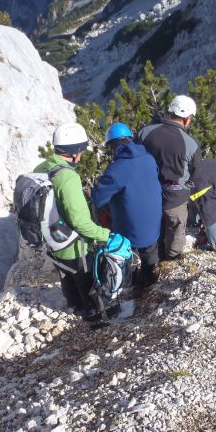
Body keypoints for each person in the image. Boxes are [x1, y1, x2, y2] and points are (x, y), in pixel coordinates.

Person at [33, 122, 112, 318]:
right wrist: (105, 234)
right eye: (82, 150)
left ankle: (75, 307)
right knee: (84, 279)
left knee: (65, 274)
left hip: (52, 237)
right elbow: (80, 221)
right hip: (72, 243)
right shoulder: (67, 177)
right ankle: (95, 317)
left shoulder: (42, 167)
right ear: (75, 151)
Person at [92, 123, 162, 286]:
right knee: (150, 253)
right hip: (154, 225)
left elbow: (98, 198)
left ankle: (129, 284)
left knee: (130, 259)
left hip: (131, 232)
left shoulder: (117, 169)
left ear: (112, 146)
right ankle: (150, 280)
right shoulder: (149, 158)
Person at [136, 95, 201, 260]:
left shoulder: (145, 132)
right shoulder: (191, 143)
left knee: (152, 236)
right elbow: (195, 173)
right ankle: (170, 266)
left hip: (147, 195)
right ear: (187, 119)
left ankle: (150, 266)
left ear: (170, 111)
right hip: (175, 200)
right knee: (175, 237)